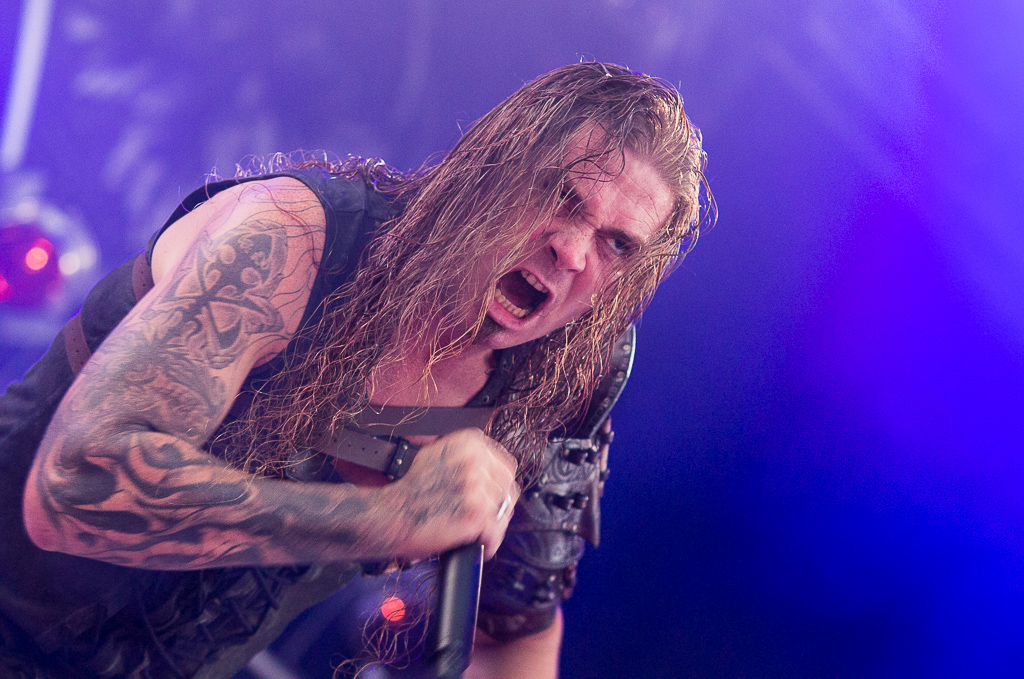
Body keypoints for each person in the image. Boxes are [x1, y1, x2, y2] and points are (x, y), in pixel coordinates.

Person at [0, 62, 710, 678]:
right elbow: (76, 487)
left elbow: (514, 631)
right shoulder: (293, 239)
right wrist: (386, 519)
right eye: (561, 196)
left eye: (617, 244)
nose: (573, 252)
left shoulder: (555, 380)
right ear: (490, 170)